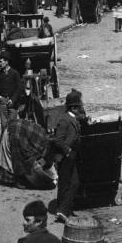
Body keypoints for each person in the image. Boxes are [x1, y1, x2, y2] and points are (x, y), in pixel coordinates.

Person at [47, 89, 83, 222]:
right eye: (78, 107)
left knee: (71, 183)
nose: (80, 109)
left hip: (71, 155)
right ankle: (62, 210)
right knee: (68, 183)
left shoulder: (72, 118)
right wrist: (67, 151)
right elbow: (57, 140)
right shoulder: (64, 120)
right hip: (65, 156)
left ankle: (62, 210)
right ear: (73, 107)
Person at [0, 51, 22, 135]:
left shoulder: (15, 73)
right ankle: (3, 145)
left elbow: (19, 88)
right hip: (2, 102)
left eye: (1, 61)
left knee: (12, 126)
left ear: (7, 61)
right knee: (3, 125)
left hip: (13, 103)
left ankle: (11, 145)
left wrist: (13, 99)